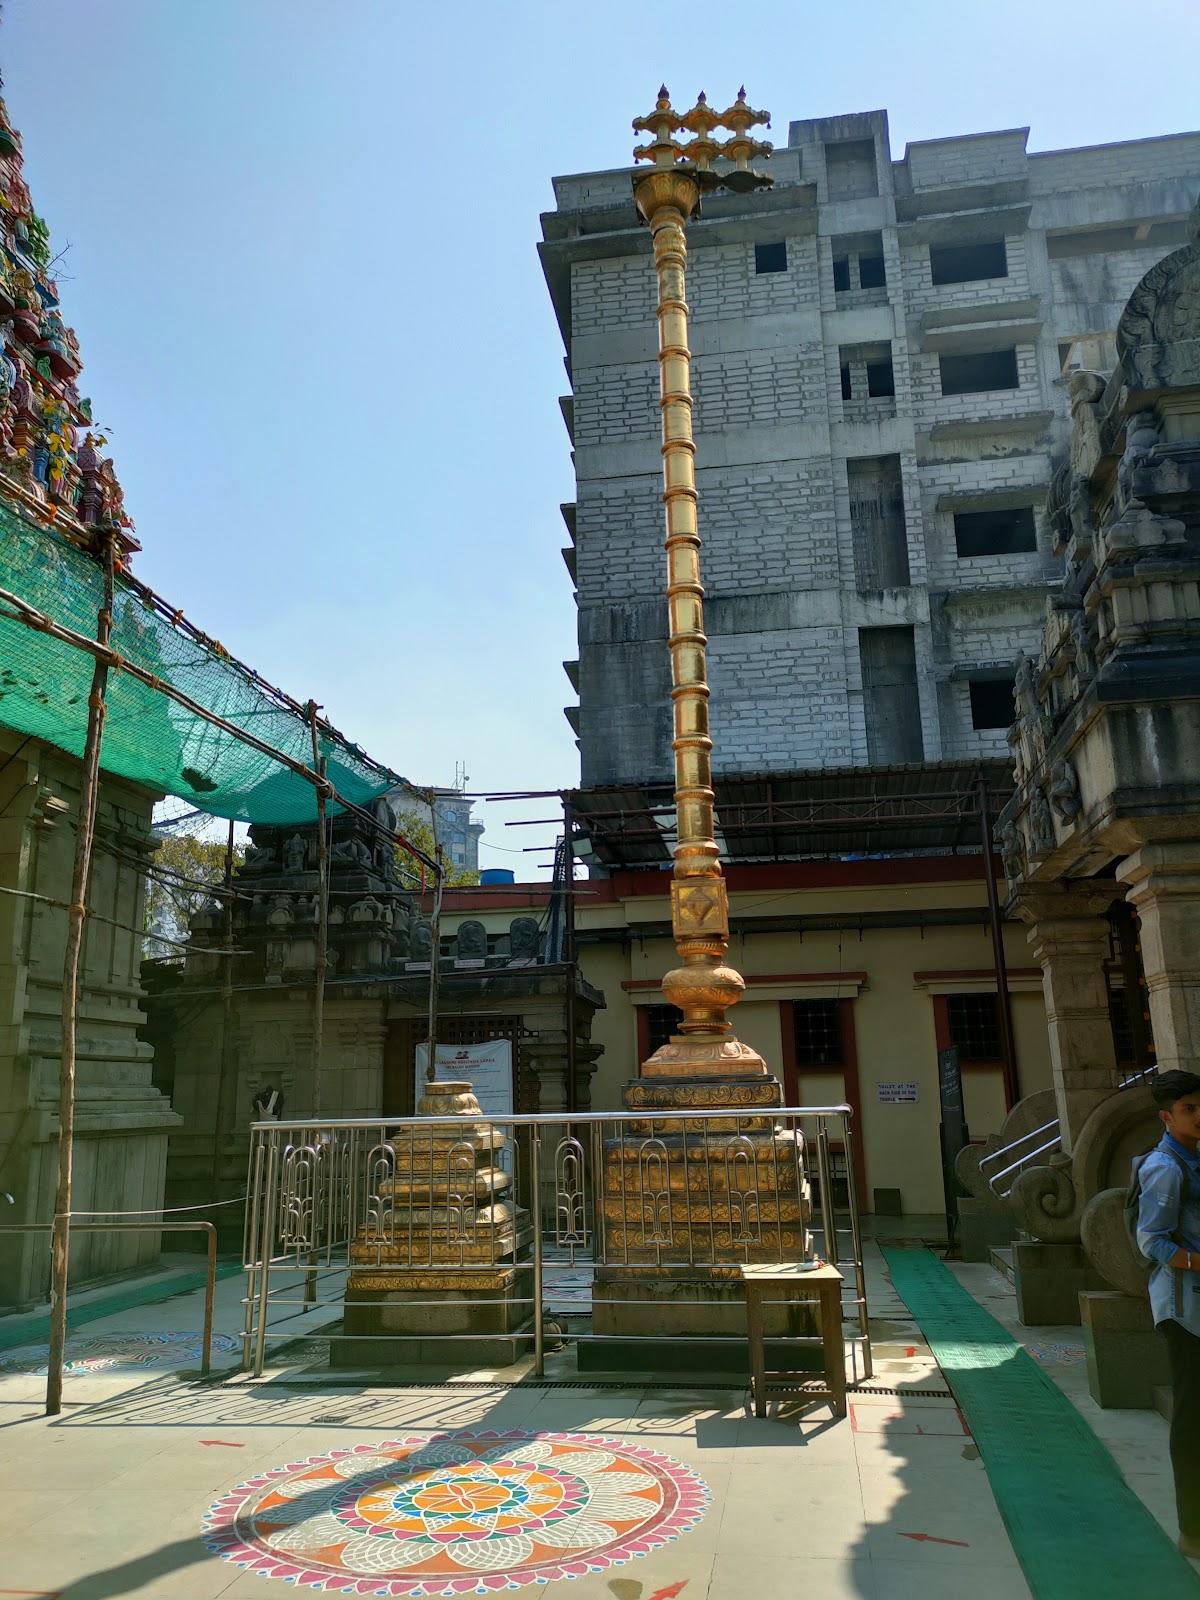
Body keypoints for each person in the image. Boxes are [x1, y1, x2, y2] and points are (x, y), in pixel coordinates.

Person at [1137, 1068, 1200, 1558]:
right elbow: (1151, 1241)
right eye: (1189, 1109)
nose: (1199, 1117)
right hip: (1184, 1310)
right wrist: (1196, 1261)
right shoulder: (1165, 1168)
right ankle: (1192, 1531)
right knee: (1192, 1418)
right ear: (1166, 1117)